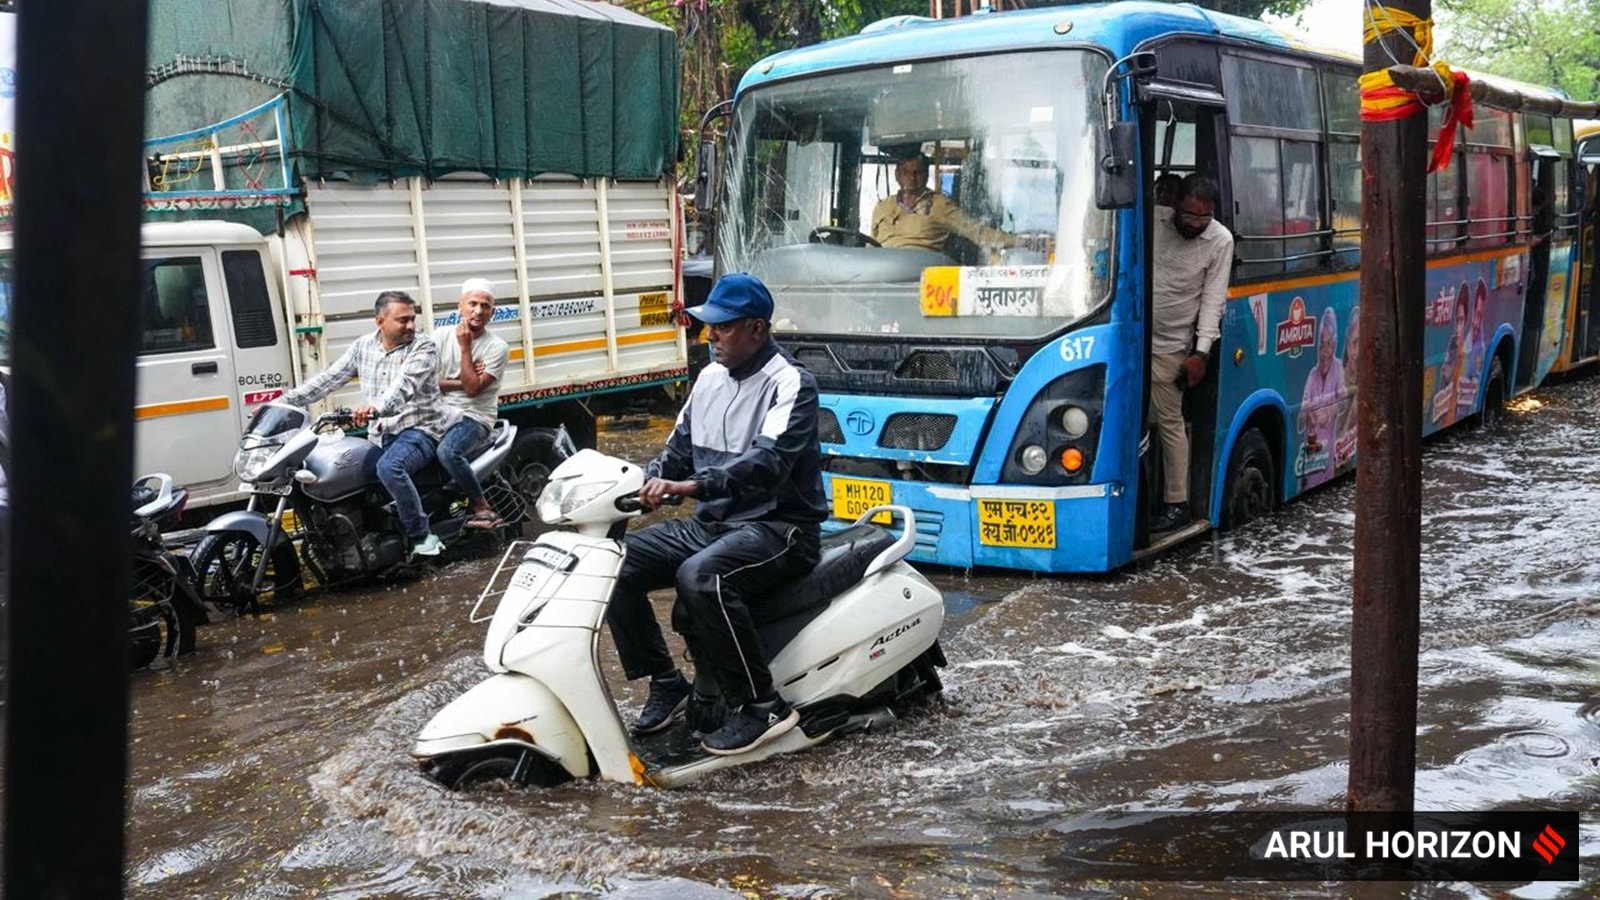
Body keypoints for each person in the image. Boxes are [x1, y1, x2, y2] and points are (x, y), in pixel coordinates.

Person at [605, 272, 828, 756]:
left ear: (756, 329)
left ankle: (762, 705)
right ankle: (666, 681)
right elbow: (676, 451)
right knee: (611, 561)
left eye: (723, 327)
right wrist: (646, 483)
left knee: (702, 577)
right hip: (713, 524)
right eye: (708, 326)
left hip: (778, 527)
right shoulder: (708, 378)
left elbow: (768, 462)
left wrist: (691, 486)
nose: (709, 336)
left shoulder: (792, 383)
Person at [279, 290, 448, 558]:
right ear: (380, 322)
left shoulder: (423, 347)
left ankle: (421, 536)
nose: (410, 326)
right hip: (380, 434)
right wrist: (283, 402)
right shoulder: (363, 346)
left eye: (412, 319)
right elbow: (328, 379)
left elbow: (403, 386)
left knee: (390, 468)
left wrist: (376, 407)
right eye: (402, 320)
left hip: (419, 430)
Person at [1149, 174, 1233, 533]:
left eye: (1204, 217)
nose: (1196, 224)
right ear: (1175, 205)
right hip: (1128, 339)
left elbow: (1213, 300)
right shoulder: (1154, 220)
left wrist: (1201, 353)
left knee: (1169, 421)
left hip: (1171, 345)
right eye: (1189, 215)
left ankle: (1176, 503)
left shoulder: (1220, 240)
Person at [433, 278, 510, 530]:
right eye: (473, 304)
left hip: (475, 417)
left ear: (492, 312)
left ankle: (481, 505)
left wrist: (465, 349)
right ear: (460, 306)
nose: (478, 311)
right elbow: (427, 382)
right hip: (439, 414)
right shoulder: (440, 337)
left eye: (485, 306)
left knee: (448, 452)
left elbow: (473, 390)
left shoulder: (497, 347)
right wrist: (462, 380)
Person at [869, 152, 1015, 254]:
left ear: (926, 176)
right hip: (880, 276)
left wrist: (1021, 242)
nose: (912, 178)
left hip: (921, 276)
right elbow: (871, 245)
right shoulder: (882, 207)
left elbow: (979, 233)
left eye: (917, 173)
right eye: (906, 173)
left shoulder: (940, 205)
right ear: (897, 176)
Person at [1297, 307, 1345, 491]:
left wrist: (1331, 410)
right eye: (1322, 345)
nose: (1325, 352)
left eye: (1330, 344)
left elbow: (1343, 400)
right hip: (1310, 457)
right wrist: (1307, 412)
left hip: (1327, 458)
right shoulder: (1312, 374)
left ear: (1335, 345)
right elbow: (1299, 420)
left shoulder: (1338, 368)